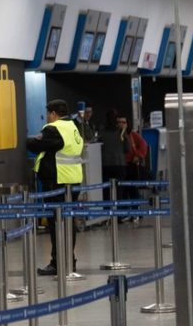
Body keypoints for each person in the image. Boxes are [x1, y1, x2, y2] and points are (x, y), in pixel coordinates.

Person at [28, 99, 84, 276]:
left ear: (53, 113)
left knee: (56, 223)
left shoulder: (54, 128)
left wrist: (31, 141)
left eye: (48, 114)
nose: (48, 118)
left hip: (57, 181)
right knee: (68, 221)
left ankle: (58, 263)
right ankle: (69, 261)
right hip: (73, 180)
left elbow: (36, 146)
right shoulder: (73, 126)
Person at [96, 108, 127, 199]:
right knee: (119, 193)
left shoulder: (101, 133)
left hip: (105, 165)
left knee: (106, 194)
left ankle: (108, 211)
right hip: (119, 164)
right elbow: (127, 149)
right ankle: (118, 212)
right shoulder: (121, 132)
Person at [122, 116, 149, 203]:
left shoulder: (132, 135)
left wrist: (138, 156)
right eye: (119, 122)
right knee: (123, 191)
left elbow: (143, 145)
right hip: (120, 165)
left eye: (123, 122)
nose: (121, 125)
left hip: (131, 165)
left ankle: (136, 211)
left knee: (132, 189)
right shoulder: (116, 135)